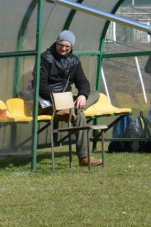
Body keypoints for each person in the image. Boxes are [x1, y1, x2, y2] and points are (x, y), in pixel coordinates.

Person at [37, 30, 102, 167]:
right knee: (80, 115)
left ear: (72, 47)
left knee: (94, 93)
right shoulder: (45, 58)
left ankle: (73, 107)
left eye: (68, 46)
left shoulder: (74, 61)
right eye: (61, 44)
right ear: (57, 42)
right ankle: (85, 158)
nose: (64, 48)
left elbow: (83, 82)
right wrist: (59, 99)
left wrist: (82, 96)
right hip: (49, 100)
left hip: (67, 100)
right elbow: (41, 86)